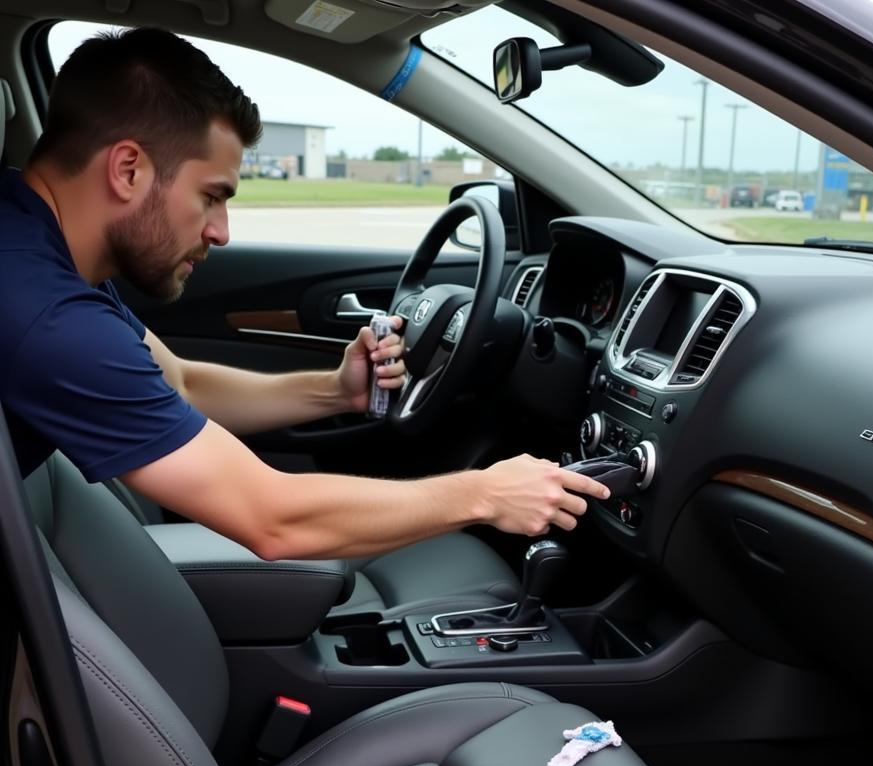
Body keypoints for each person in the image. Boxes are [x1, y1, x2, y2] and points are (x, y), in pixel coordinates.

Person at [0, 27, 609, 561]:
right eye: (212, 195)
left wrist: (334, 390)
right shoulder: (47, 315)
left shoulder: (36, 241)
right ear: (128, 169)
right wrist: (483, 494)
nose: (221, 231)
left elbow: (177, 382)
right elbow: (272, 519)